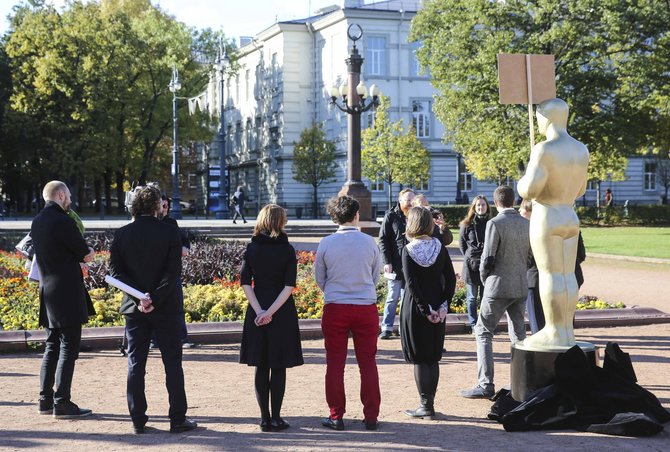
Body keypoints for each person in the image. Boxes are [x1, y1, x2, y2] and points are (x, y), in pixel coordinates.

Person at [109, 185, 197, 434]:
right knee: (172, 363)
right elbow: (172, 273)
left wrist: (139, 297)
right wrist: (154, 298)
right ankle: (177, 418)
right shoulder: (169, 232)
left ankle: (138, 418)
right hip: (166, 306)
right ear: (157, 205)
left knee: (136, 363)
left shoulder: (122, 233)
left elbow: (116, 272)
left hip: (135, 309)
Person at [517, 98, 589, 348]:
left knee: (550, 274)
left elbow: (530, 189)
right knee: (568, 274)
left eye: (538, 115)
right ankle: (566, 329)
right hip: (569, 214)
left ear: (546, 118)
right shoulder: (582, 150)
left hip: (547, 214)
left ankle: (553, 330)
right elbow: (581, 189)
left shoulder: (543, 149)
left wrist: (522, 180)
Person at [315, 195, 382, 431]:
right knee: (368, 364)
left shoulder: (326, 243)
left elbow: (319, 278)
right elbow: (375, 276)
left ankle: (336, 415)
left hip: (336, 306)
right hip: (365, 306)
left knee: (334, 364)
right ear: (356, 215)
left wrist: (335, 291)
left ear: (334, 217)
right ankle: (371, 416)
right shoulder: (369, 242)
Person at [31, 181, 95, 418]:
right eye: (68, 195)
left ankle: (45, 400)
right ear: (60, 195)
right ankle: (63, 402)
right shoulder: (64, 221)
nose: (70, 199)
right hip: (67, 291)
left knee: (51, 346)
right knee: (68, 347)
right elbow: (84, 254)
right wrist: (90, 252)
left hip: (47, 290)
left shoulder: (37, 221)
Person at [459, 186, 531, 399]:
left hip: (497, 285)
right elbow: (530, 257)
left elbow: (488, 258)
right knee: (518, 335)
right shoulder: (525, 223)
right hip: (519, 285)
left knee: (483, 331)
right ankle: (521, 384)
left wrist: (485, 278)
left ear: (496, 202)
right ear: (513, 200)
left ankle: (485, 384)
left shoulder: (494, 223)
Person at [239, 204, 304, 432]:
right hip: (281, 311)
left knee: (260, 365)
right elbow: (289, 286)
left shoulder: (252, 248)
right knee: (278, 365)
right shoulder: (287, 250)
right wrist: (271, 312)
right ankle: (276, 417)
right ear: (280, 222)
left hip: (257, 309)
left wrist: (259, 311)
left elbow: (245, 282)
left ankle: (264, 418)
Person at [400, 207, 456, 418]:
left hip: (416, 308)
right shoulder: (439, 247)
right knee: (432, 357)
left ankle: (425, 405)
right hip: (437, 304)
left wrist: (425, 310)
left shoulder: (408, 250)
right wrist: (443, 306)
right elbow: (450, 279)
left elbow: (411, 284)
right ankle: (429, 403)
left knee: (420, 359)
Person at [520, 199, 587, 333]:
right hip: (568, 277)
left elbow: (528, 258)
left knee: (538, 324)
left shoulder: (535, 229)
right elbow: (581, 254)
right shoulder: (570, 224)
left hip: (537, 279)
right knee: (566, 324)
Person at [378, 188, 415, 339]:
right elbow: (383, 240)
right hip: (394, 264)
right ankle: (387, 327)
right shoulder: (391, 216)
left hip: (411, 265)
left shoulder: (416, 215)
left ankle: (403, 328)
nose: (410, 203)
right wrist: (387, 261)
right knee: (392, 297)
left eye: (412, 199)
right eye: (407, 200)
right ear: (400, 201)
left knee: (407, 298)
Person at [159, 196, 194, 349]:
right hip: (155, 273)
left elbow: (184, 241)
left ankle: (182, 338)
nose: (164, 208)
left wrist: (184, 248)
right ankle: (154, 340)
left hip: (172, 273)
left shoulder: (172, 223)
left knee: (177, 305)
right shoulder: (149, 223)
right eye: (162, 205)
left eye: (166, 205)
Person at [458, 195, 491, 332]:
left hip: (486, 265)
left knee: (485, 297)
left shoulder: (491, 223)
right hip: (471, 264)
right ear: (474, 207)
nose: (480, 207)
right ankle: (473, 324)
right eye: (478, 205)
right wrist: (469, 256)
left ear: (487, 207)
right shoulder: (467, 224)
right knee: (472, 298)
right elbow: (462, 244)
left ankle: (483, 324)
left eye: (483, 205)